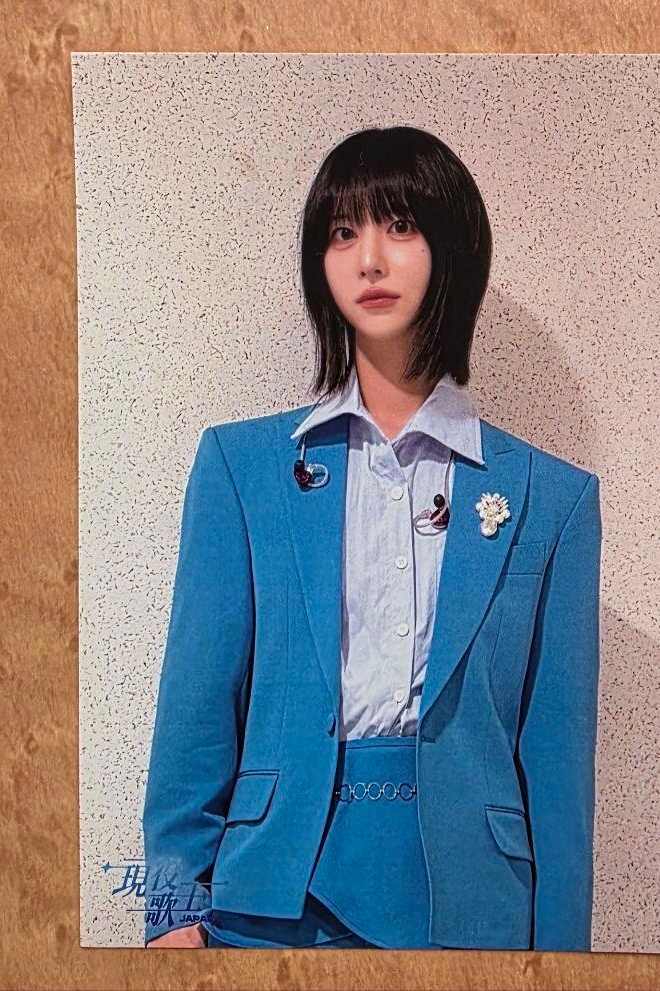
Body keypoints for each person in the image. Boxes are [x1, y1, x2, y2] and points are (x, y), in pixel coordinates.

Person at [142, 126, 603, 951]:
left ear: (452, 247)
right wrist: (170, 916)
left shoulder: (554, 499)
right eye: (343, 232)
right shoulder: (241, 470)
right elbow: (194, 713)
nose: (370, 260)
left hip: (474, 915)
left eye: (400, 226)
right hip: (267, 906)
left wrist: (567, 960)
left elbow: (559, 764)